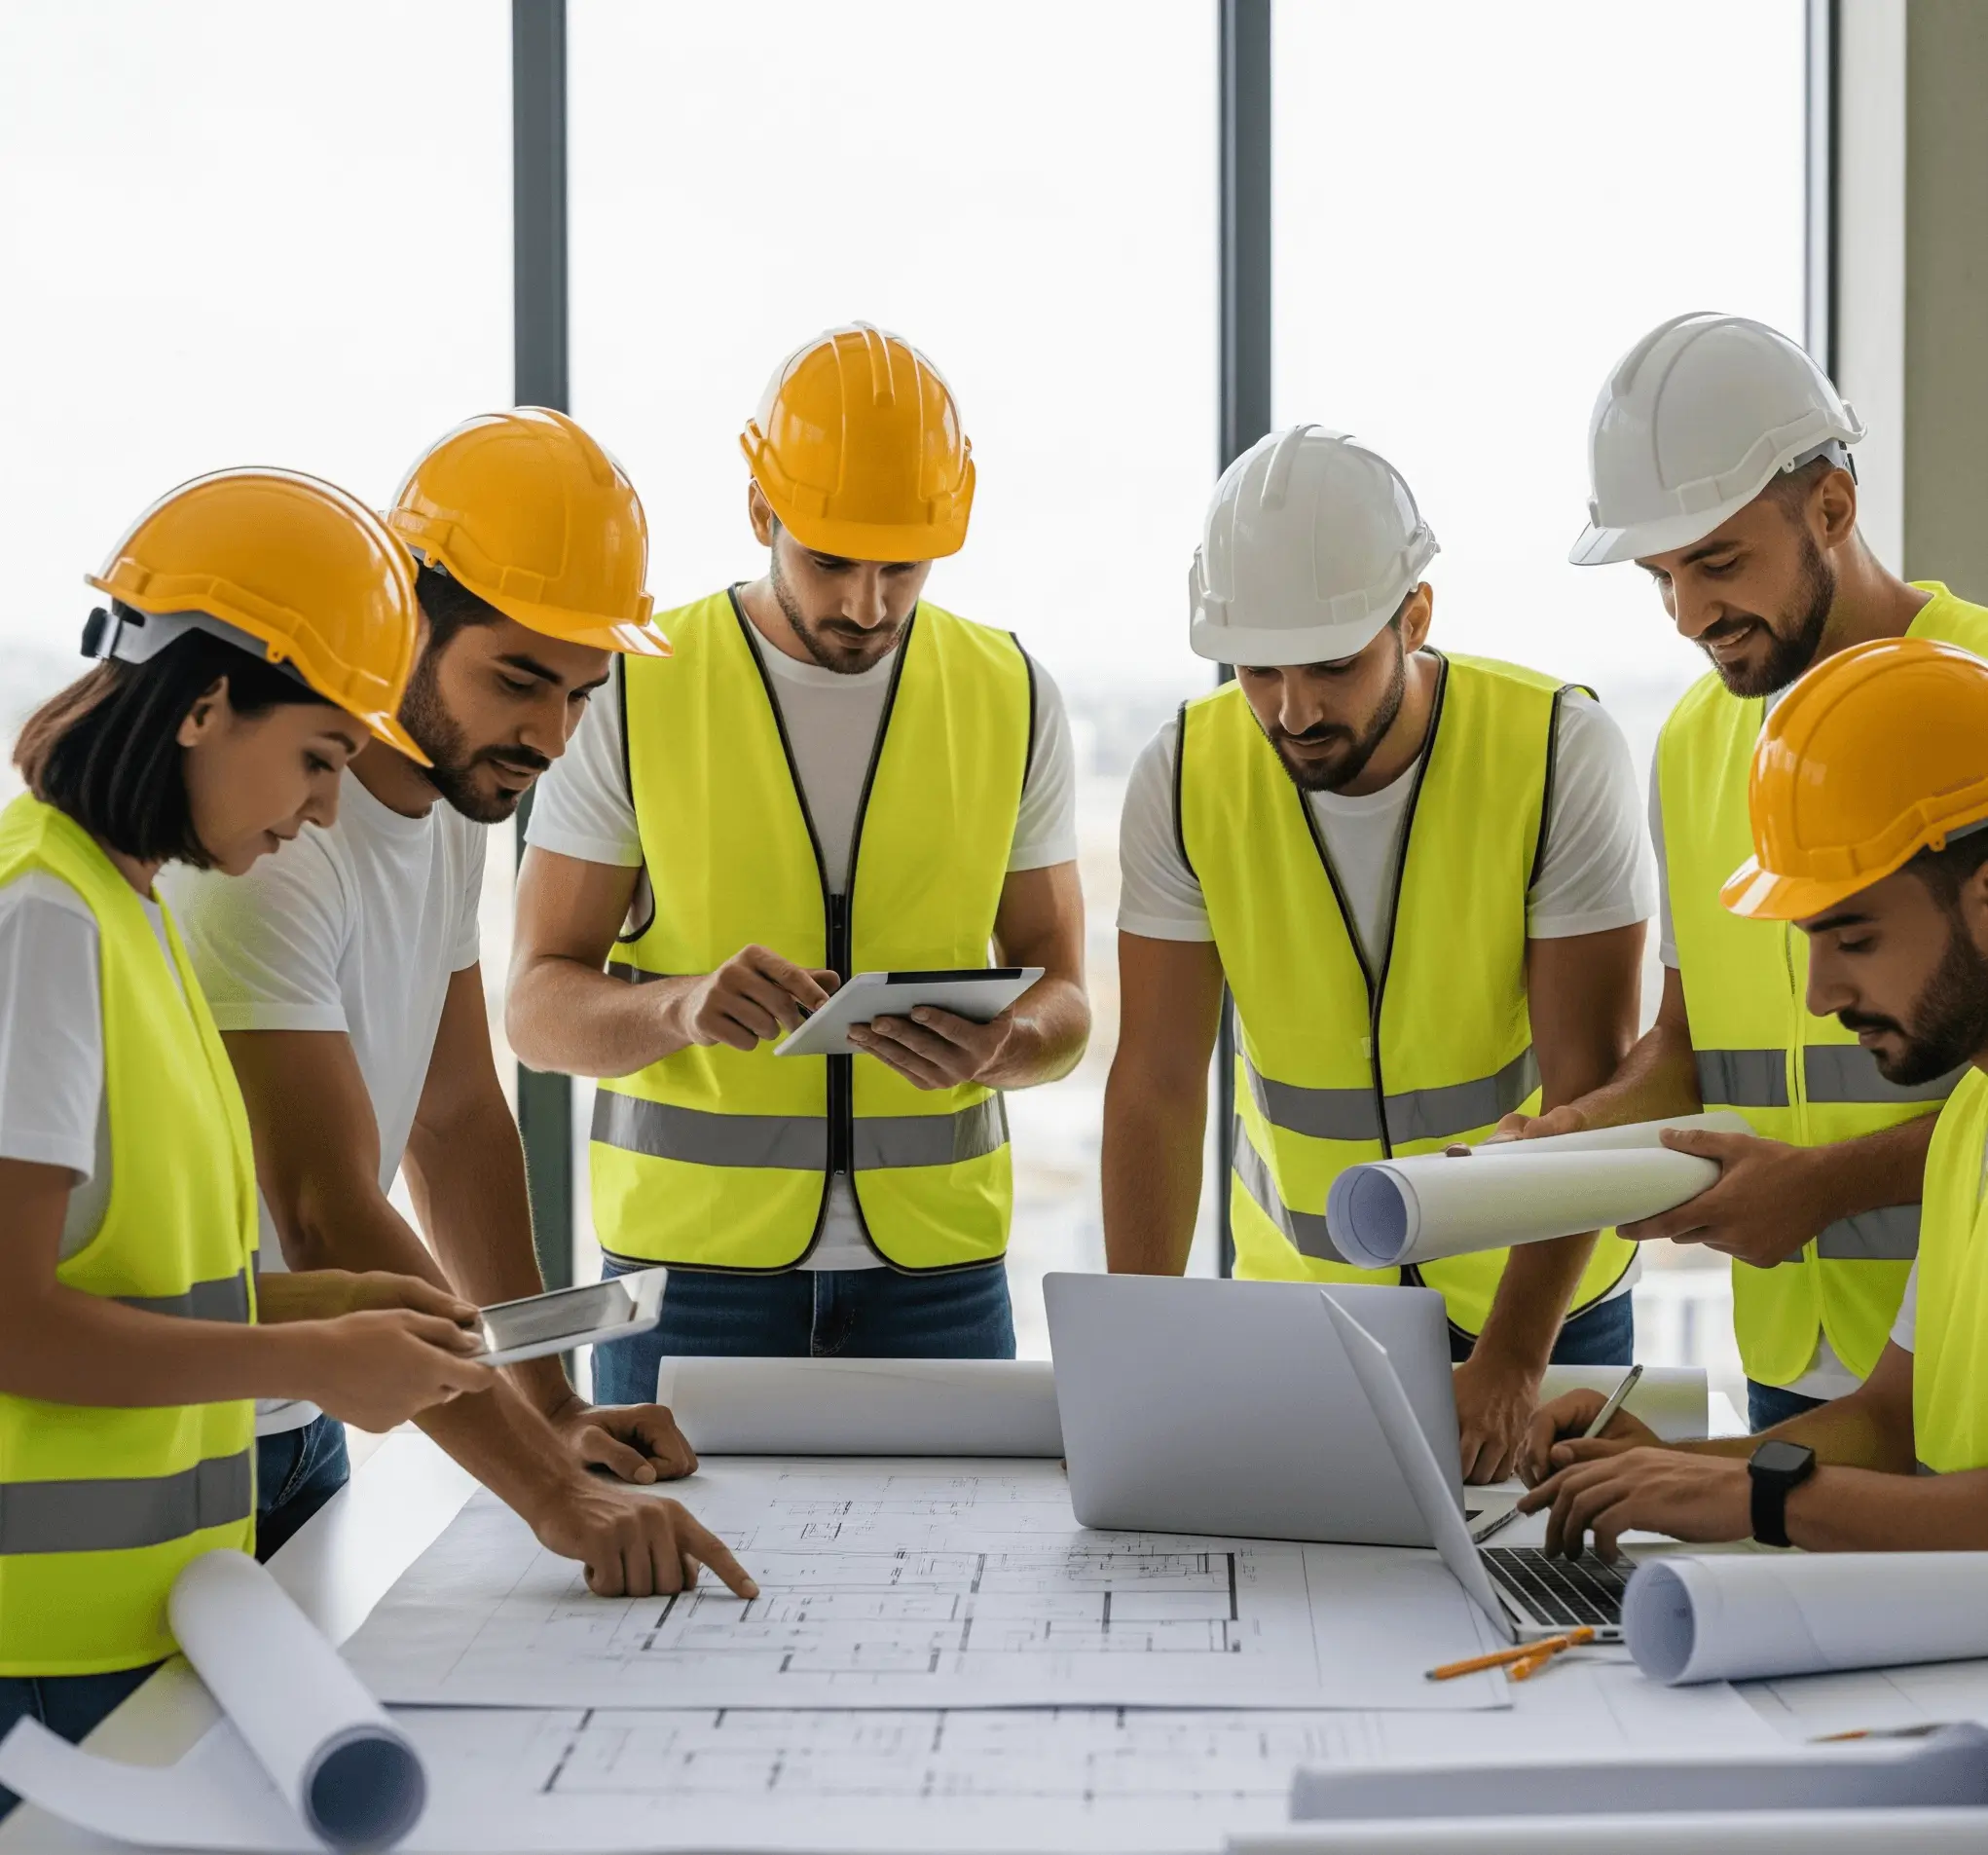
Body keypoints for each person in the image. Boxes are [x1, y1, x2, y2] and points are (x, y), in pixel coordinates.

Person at [161, 410, 755, 1598]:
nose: (549, 737)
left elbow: (458, 1118)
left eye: (581, 693)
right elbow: (324, 1207)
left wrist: (550, 1407)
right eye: (516, 679)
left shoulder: (447, 806)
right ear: (401, 618)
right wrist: (550, 1493)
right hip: (179, 1429)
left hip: (299, 1416)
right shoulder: (275, 844)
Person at [0, 469, 498, 1819]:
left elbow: (118, 1278)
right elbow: (11, 1324)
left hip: (142, 1630)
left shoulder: (128, 907)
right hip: (36, 1663)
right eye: (319, 757)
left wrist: (314, 1305)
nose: (327, 807)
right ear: (205, 705)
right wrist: (303, 1361)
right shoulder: (43, 917)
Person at [507, 324, 1088, 1391]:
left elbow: (1068, 1003)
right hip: (688, 1282)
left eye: (900, 567)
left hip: (940, 1280)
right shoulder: (633, 688)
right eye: (830, 562)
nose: (867, 605)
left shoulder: (1010, 692)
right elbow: (536, 1009)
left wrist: (1003, 1046)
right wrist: (680, 1008)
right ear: (760, 511)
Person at [1102, 426, 1653, 1483]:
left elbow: (1588, 1078)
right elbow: (1157, 1082)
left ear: (1415, 617)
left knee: (1539, 1582)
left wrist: (1511, 1361)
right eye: (1258, 669)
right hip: (1305, 1303)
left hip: (1540, 1307)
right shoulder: (1181, 775)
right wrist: (1136, 1349)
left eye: (1333, 665)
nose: (1293, 709)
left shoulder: (1556, 751)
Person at [1501, 312, 1988, 1433]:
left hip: (1958, 1335)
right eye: (1658, 577)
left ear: (1831, 507)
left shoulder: (1976, 693)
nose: (1688, 616)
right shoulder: (1691, 743)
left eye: (1717, 563)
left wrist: (1823, 1188)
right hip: (1790, 1352)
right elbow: (1685, 1044)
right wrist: (1577, 1133)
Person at [1519, 637, 1988, 1557]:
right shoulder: (1969, 1117)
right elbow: (1890, 1420)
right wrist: (1669, 1466)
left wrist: (1760, 1500)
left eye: (1855, 940)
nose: (1822, 995)